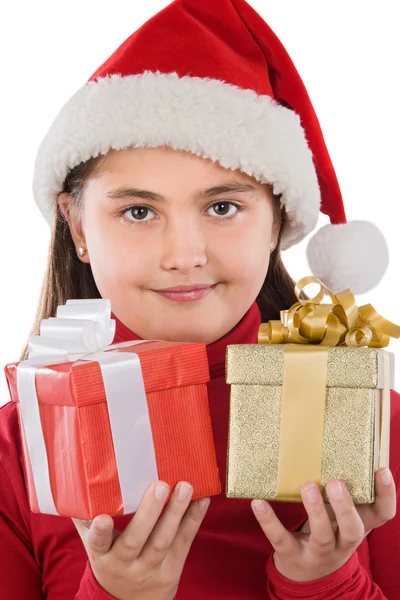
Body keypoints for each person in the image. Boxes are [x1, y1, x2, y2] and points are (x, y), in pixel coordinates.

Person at [1, 1, 399, 599]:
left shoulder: (374, 425)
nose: (183, 254)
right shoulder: (17, 452)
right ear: (79, 229)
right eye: (138, 211)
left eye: (222, 207)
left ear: (276, 222)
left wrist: (325, 582)